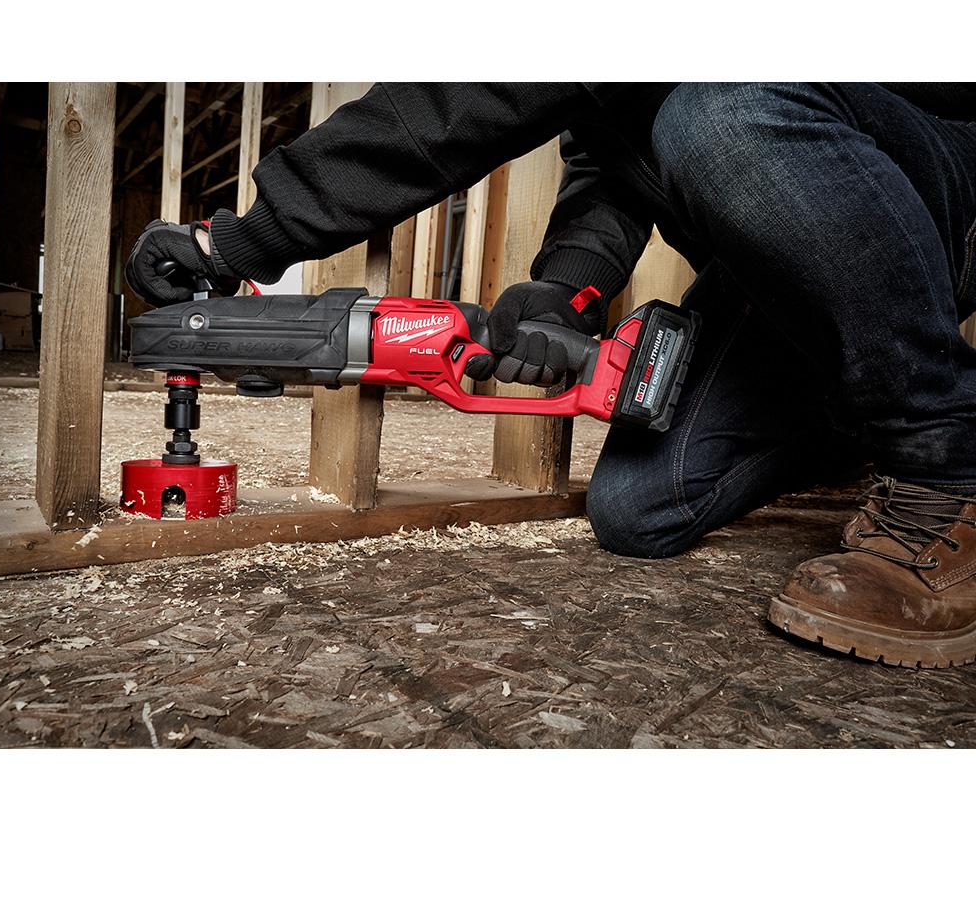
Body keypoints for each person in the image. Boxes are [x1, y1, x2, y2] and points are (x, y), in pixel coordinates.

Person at [126, 83, 976, 668]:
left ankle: (946, 464)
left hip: (932, 175)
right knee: (637, 511)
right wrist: (568, 289)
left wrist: (245, 240)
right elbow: (613, 157)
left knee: (721, 116)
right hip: (791, 265)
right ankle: (871, 402)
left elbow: (464, 96)